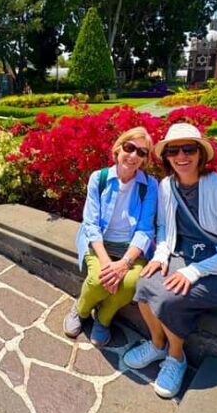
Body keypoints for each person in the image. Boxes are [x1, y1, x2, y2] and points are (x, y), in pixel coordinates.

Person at [123, 123, 217, 398]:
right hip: (183, 256)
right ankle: (157, 344)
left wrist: (194, 272)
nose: (181, 156)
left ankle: (176, 357)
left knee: (170, 299)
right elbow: (164, 230)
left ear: (200, 153)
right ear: (166, 156)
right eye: (173, 150)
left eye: (189, 149)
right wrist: (160, 256)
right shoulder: (167, 186)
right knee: (144, 282)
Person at [64, 127, 159, 347]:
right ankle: (81, 310)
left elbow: (146, 230)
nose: (134, 156)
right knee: (98, 279)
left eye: (142, 152)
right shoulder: (100, 178)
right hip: (100, 244)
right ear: (118, 148)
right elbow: (91, 224)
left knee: (131, 283)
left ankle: (104, 319)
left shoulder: (150, 185)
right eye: (129, 148)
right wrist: (107, 262)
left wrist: (125, 263)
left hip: (131, 248)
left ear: (145, 159)